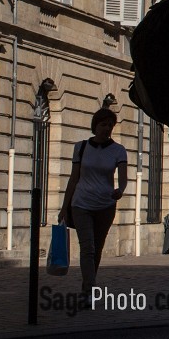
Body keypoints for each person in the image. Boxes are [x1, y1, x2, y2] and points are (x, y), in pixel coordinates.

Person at [58, 107, 127, 300]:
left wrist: (120, 190)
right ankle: (89, 290)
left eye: (110, 125)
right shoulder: (80, 147)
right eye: (104, 124)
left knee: (97, 247)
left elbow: (123, 178)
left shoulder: (118, 150)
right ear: (95, 126)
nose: (107, 128)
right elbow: (73, 179)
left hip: (105, 205)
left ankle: (88, 285)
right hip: (81, 204)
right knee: (87, 247)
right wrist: (64, 207)